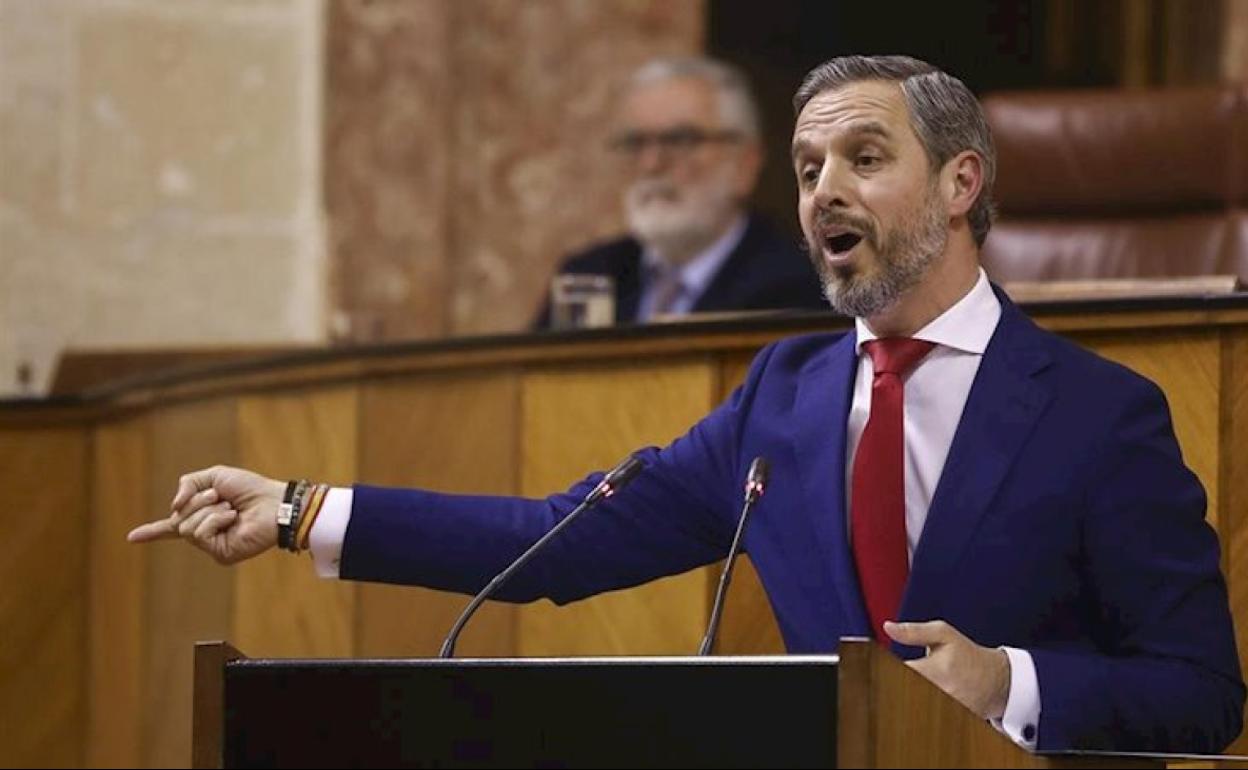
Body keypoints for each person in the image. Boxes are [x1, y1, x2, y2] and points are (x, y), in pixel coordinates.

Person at [129, 55, 1244, 752]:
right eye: (808, 169)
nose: (826, 192)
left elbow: (1201, 695)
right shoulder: (784, 398)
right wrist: (297, 508)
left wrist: (1013, 682)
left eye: (865, 155)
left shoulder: (1100, 414)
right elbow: (553, 542)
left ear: (962, 184)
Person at [532, 56, 826, 328]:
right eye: (636, 142)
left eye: (680, 140)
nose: (651, 164)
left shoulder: (796, 286)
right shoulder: (590, 275)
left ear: (743, 165)